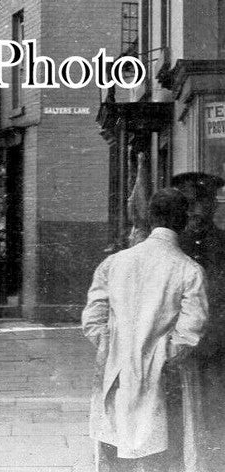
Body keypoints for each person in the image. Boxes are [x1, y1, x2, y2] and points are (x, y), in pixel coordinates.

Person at [82, 187, 208, 471]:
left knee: (116, 452)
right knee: (164, 456)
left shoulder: (114, 263)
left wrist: (115, 350)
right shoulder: (189, 270)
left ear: (150, 219)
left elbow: (93, 320)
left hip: (116, 376)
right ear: (183, 222)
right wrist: (158, 357)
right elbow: (189, 333)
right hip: (165, 380)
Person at [175, 171, 225, 470]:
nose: (196, 211)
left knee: (214, 414)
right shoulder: (173, 244)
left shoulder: (223, 244)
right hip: (178, 348)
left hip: (215, 347)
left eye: (201, 204)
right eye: (190, 205)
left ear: (213, 206)